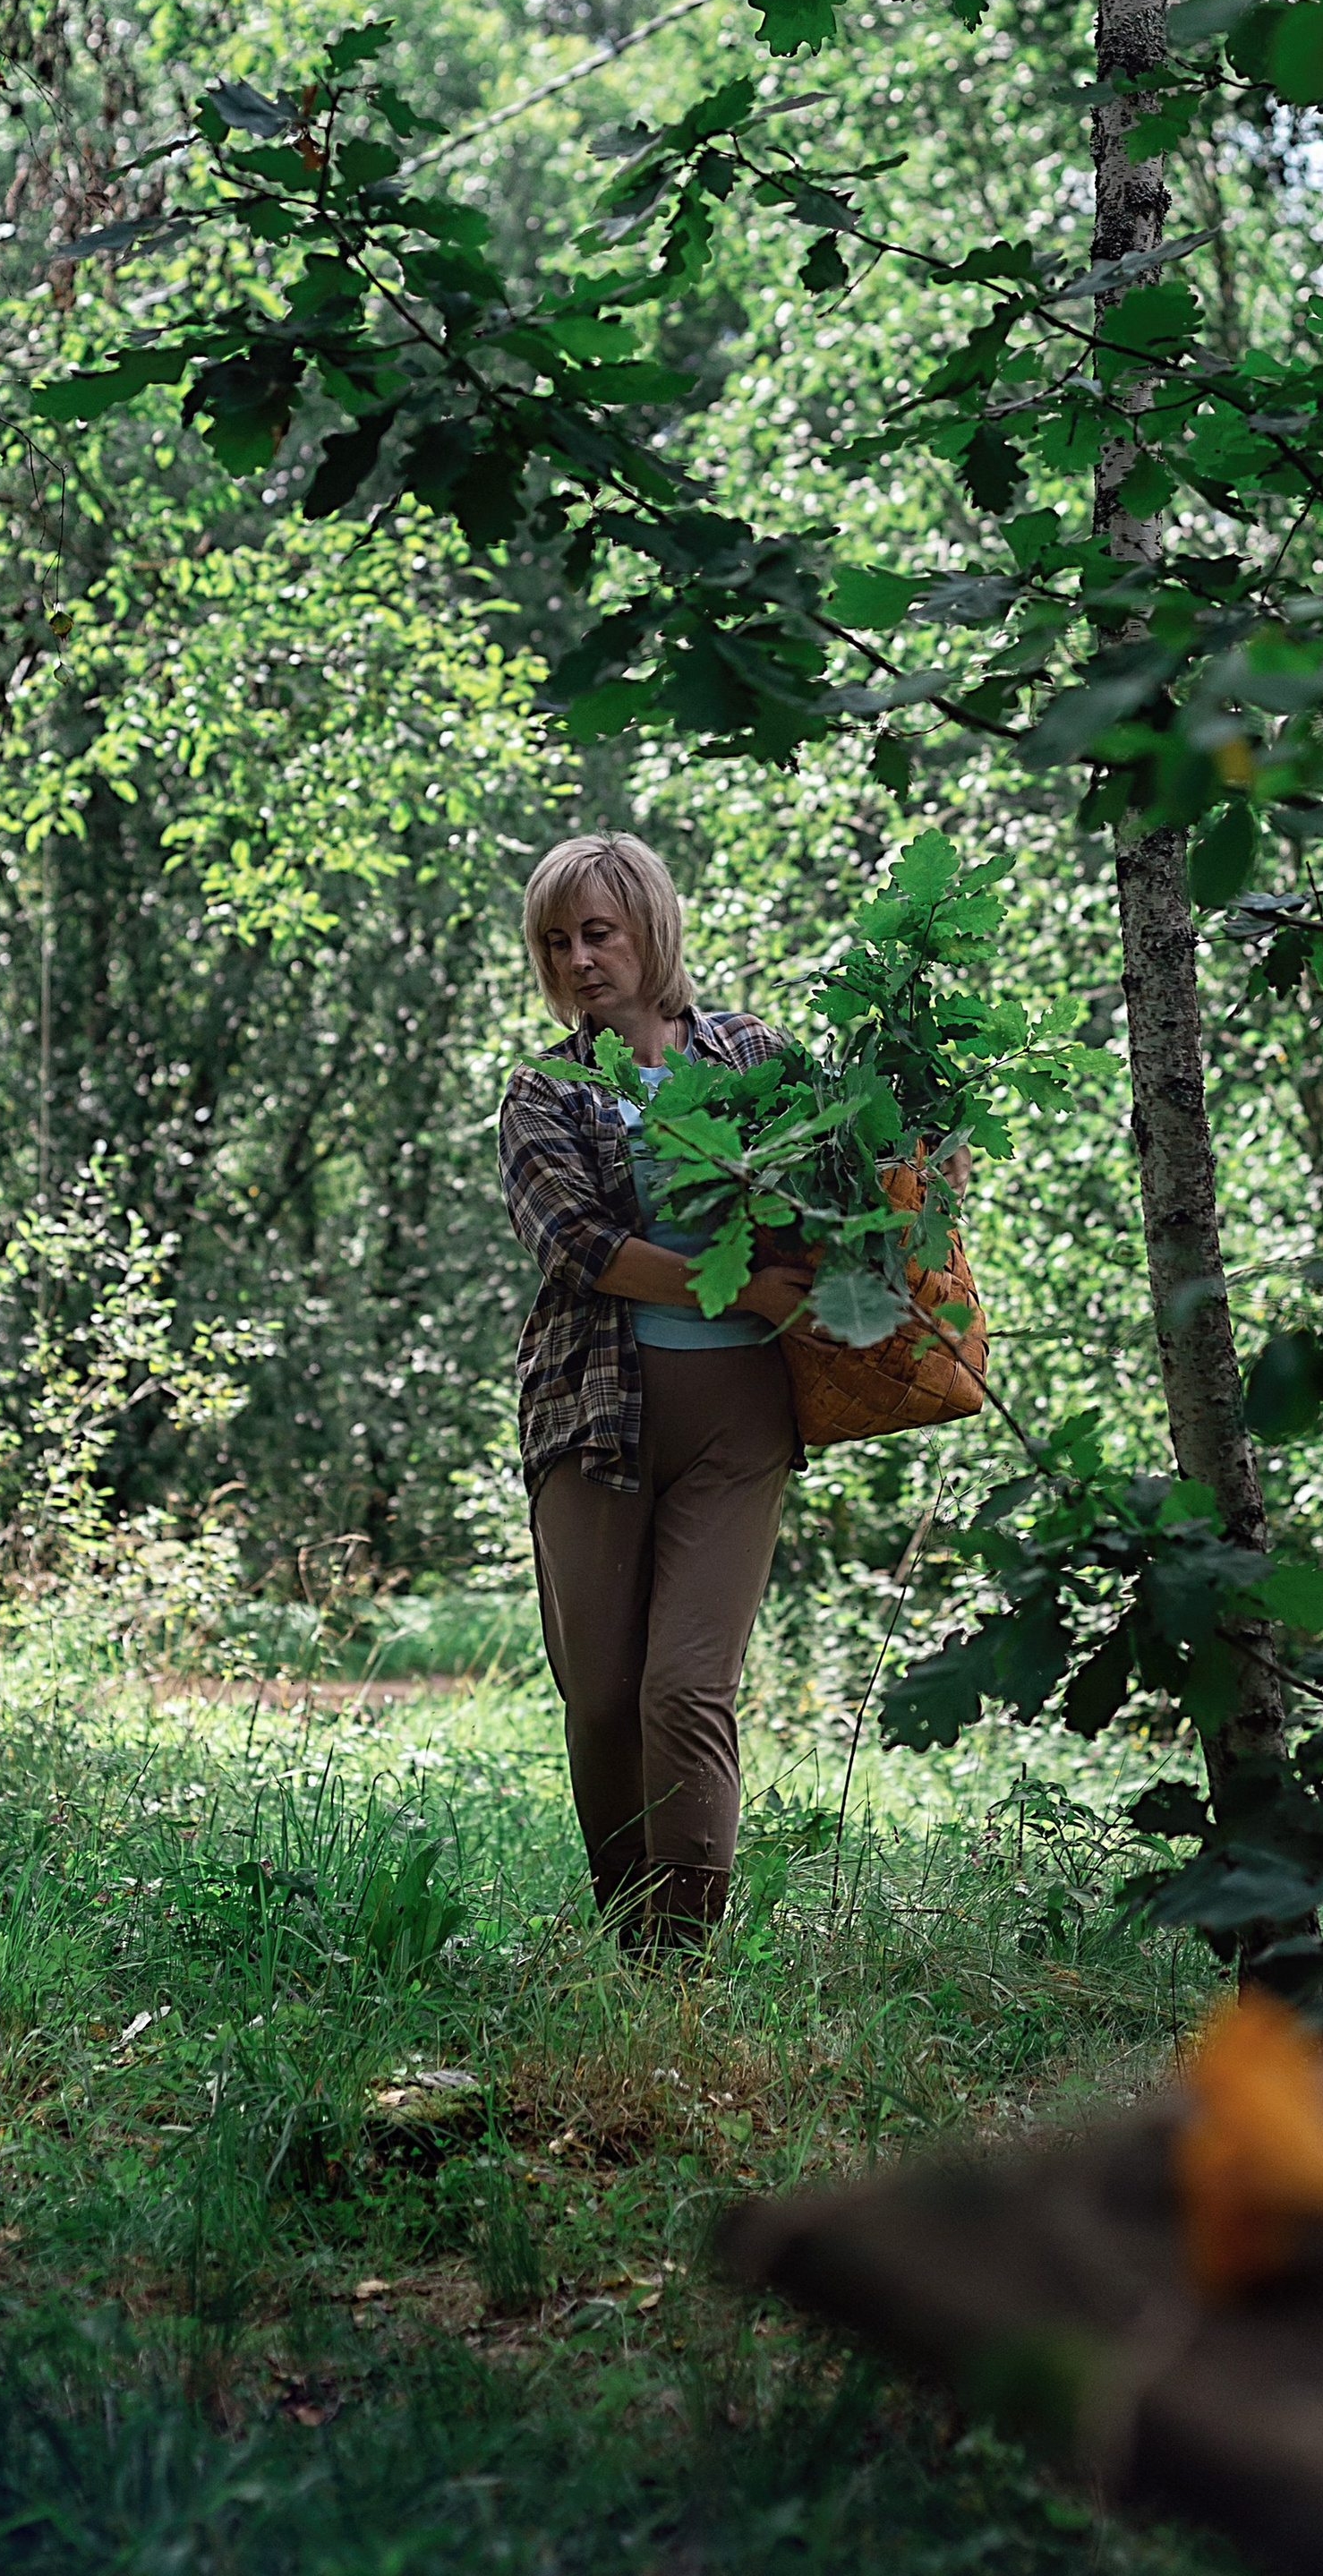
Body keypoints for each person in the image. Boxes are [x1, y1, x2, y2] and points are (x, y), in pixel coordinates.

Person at [497, 832, 807, 1951]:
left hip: (740, 1419)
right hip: (592, 1415)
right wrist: (741, 1291)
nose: (578, 959)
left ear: (651, 931)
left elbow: (846, 1178)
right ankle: (632, 1945)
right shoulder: (543, 1091)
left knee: (685, 1690)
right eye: (555, 941)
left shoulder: (753, 1055)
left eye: (599, 932)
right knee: (606, 1699)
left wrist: (923, 1168)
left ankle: (680, 1965)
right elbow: (578, 1244)